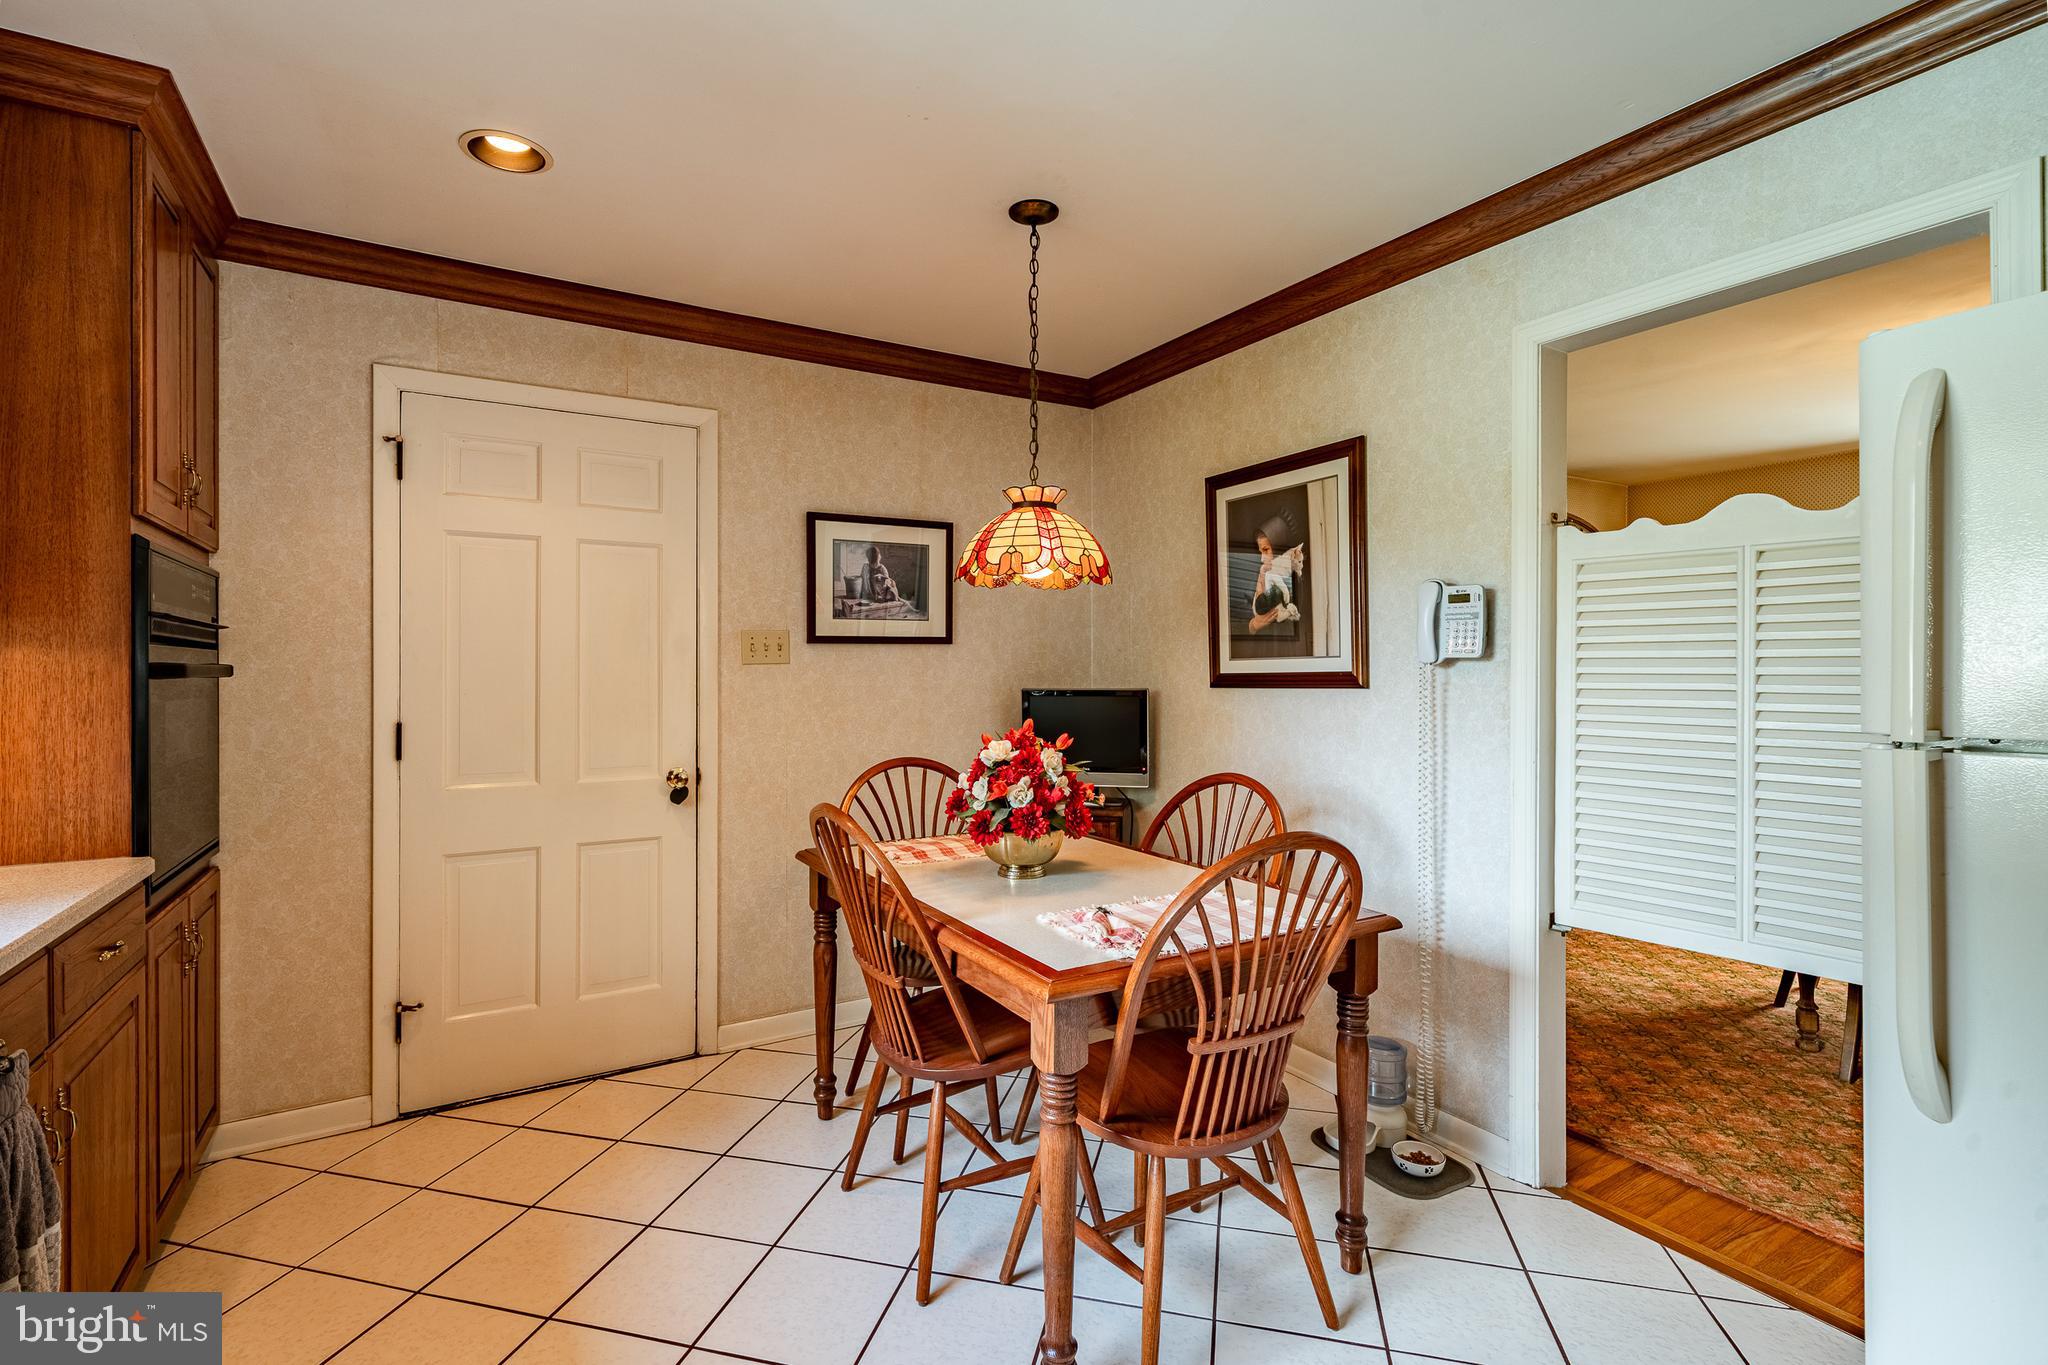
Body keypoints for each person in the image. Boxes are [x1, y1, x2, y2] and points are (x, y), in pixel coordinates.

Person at [1247, 514, 1305, 633]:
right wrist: (1255, 625)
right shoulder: (1262, 573)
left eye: (1266, 550)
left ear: (1278, 549)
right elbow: (1246, 621)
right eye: (1261, 552)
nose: (1262, 559)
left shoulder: (1294, 579)